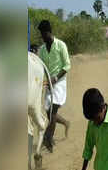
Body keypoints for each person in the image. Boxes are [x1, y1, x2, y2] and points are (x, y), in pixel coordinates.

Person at [37, 20, 71, 153]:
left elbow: (67, 65)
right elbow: (42, 67)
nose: (42, 37)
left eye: (42, 34)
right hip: (49, 83)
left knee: (52, 111)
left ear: (48, 32)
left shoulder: (61, 45)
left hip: (59, 82)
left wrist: (56, 77)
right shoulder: (43, 50)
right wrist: (44, 81)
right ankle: (66, 123)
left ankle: (47, 139)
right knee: (49, 112)